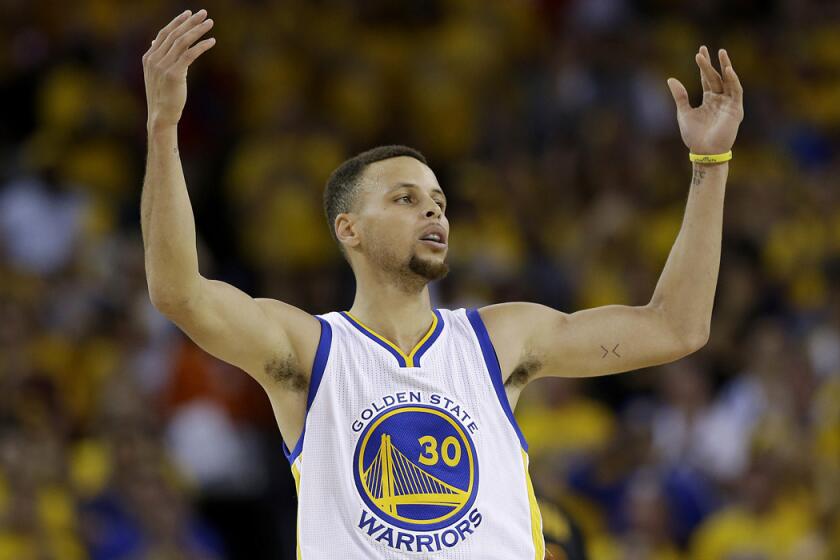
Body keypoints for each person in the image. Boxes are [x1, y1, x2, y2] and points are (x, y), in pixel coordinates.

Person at [140, 9, 744, 559]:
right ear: (347, 228)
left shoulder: (502, 339)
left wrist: (710, 164)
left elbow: (676, 328)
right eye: (406, 199)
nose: (433, 213)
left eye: (438, 201)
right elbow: (178, 291)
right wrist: (164, 128)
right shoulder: (309, 349)